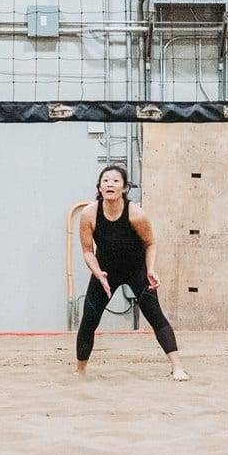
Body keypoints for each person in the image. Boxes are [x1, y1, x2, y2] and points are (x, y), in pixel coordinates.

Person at [73, 163, 188, 380]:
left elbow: (150, 243)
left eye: (115, 181)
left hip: (136, 269)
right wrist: (98, 273)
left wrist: (151, 270)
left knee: (155, 315)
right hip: (105, 271)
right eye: (105, 180)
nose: (110, 184)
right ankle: (80, 370)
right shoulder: (89, 214)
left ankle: (177, 366)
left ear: (124, 188)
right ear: (99, 187)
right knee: (89, 318)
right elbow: (88, 251)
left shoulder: (136, 214)